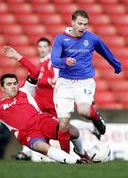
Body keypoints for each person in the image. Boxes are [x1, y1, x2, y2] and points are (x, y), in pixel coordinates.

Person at [0, 46, 91, 164]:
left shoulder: (25, 91)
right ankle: (77, 161)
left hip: (42, 121)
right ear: (3, 88)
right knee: (41, 146)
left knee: (73, 131)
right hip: (27, 134)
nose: (13, 86)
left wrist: (17, 57)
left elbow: (35, 72)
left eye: (15, 83)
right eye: (9, 84)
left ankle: (82, 153)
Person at [51, 10, 122, 154]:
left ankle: (97, 120)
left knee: (83, 111)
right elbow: (54, 60)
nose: (83, 27)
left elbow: (106, 52)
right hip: (65, 84)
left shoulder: (92, 39)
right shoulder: (60, 39)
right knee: (64, 125)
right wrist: (65, 61)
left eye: (85, 24)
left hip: (84, 82)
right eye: (80, 23)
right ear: (72, 22)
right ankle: (67, 158)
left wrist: (117, 66)